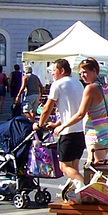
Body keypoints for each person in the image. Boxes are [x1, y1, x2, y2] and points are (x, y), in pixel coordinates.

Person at [62, 57, 108, 163]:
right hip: (107, 134)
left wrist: (63, 126)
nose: (82, 76)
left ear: (94, 71)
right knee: (95, 168)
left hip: (95, 134)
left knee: (97, 171)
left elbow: (80, 114)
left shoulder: (90, 89)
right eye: (80, 73)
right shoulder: (107, 88)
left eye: (85, 72)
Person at [35, 58, 86, 196]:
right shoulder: (78, 84)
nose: (52, 74)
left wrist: (40, 124)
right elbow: (72, 109)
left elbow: (47, 108)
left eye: (54, 71)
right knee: (74, 166)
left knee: (64, 166)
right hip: (80, 131)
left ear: (62, 71)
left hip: (68, 132)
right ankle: (76, 194)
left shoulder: (57, 84)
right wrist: (57, 123)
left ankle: (86, 188)